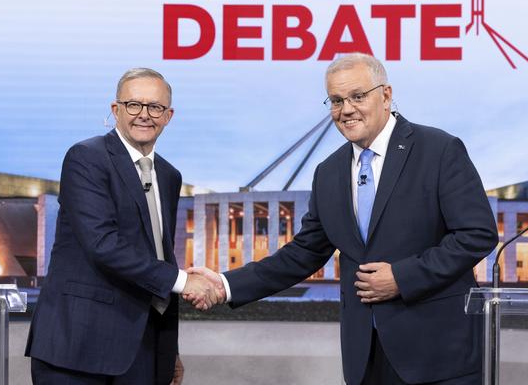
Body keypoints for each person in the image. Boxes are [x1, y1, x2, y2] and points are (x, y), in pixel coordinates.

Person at [189, 53, 498, 385]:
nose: (346, 109)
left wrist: (402, 277)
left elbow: (477, 234)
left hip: (438, 354)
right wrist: (225, 285)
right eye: (336, 100)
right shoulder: (328, 173)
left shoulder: (439, 149)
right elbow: (303, 254)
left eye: (357, 96)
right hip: (365, 357)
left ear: (386, 95)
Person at [26, 68, 219, 385]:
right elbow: (103, 244)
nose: (145, 115)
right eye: (134, 105)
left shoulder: (169, 176)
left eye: (155, 107)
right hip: (78, 348)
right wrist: (186, 282)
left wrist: (169, 349)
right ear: (116, 110)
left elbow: (159, 257)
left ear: (168, 116)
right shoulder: (86, 158)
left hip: (142, 350)